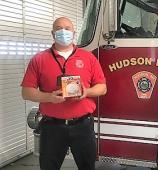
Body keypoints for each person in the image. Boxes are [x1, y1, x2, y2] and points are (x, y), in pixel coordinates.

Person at [21, 17, 107, 170]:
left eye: (67, 28)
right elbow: (26, 92)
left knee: (87, 166)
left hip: (83, 126)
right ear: (53, 33)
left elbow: (102, 88)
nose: (63, 31)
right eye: (59, 28)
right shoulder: (39, 59)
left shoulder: (88, 58)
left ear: (74, 32)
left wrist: (86, 92)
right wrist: (49, 97)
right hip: (52, 127)